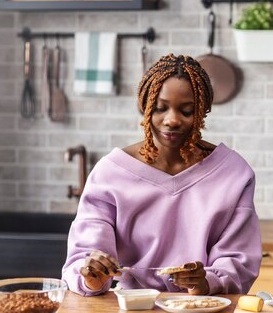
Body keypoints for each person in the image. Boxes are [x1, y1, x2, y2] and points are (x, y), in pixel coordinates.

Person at [62, 54, 261, 296]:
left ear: (202, 111)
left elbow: (239, 262)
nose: (172, 120)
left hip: (206, 311)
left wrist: (207, 282)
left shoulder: (234, 174)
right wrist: (92, 276)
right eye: (160, 108)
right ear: (145, 106)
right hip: (133, 311)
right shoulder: (110, 173)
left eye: (186, 111)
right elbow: (84, 259)